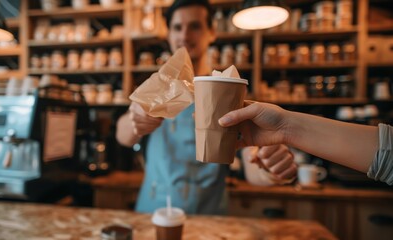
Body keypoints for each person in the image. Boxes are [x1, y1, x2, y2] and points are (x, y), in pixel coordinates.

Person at [116, 0, 297, 215]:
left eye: (195, 26)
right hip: (155, 211)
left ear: (212, 32)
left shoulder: (231, 92)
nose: (184, 35)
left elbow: (253, 166)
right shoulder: (156, 87)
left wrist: (269, 168)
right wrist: (135, 119)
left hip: (209, 215)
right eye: (177, 27)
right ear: (168, 35)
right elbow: (123, 136)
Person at [218, 101, 393, 185]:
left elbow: (250, 155)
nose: (188, 35)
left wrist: (267, 166)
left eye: (196, 26)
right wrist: (285, 130)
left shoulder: (229, 97)